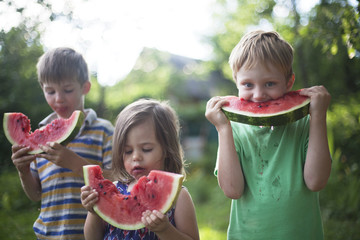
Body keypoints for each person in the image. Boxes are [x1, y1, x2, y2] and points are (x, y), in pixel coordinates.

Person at [205, 30, 332, 240]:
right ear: (236, 81)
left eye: (270, 84)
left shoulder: (305, 125)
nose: (258, 95)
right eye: (248, 84)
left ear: (289, 83)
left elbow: (316, 181)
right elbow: (232, 190)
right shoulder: (233, 130)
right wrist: (223, 128)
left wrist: (318, 116)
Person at [10, 47, 114, 240]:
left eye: (67, 90)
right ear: (42, 89)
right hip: (46, 235)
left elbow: (117, 179)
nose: (58, 98)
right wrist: (23, 170)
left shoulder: (104, 131)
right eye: (50, 91)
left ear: (85, 87)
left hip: (90, 235)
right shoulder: (39, 135)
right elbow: (35, 194)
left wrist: (75, 163)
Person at [81, 99, 199, 240]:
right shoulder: (114, 189)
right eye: (128, 151)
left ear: (167, 149)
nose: (136, 157)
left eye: (146, 149)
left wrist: (165, 230)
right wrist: (94, 211)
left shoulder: (179, 197)